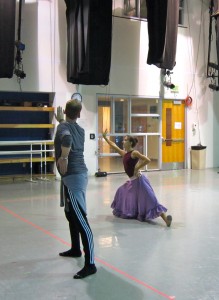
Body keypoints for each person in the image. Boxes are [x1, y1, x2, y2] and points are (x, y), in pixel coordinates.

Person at [54, 99, 97, 279]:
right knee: (70, 214)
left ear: (65, 110)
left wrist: (63, 158)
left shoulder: (64, 129)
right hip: (73, 177)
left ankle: (91, 264)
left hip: (74, 179)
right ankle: (75, 249)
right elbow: (69, 130)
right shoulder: (79, 129)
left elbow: (67, 138)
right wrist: (61, 120)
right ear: (79, 114)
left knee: (81, 220)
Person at [102, 130, 172, 227]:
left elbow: (147, 160)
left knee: (151, 200)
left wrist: (137, 168)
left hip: (140, 181)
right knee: (121, 191)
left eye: (125, 140)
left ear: (130, 143)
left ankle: (166, 220)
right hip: (132, 182)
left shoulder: (134, 153)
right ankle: (129, 212)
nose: (123, 142)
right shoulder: (124, 153)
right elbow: (114, 145)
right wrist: (105, 138)